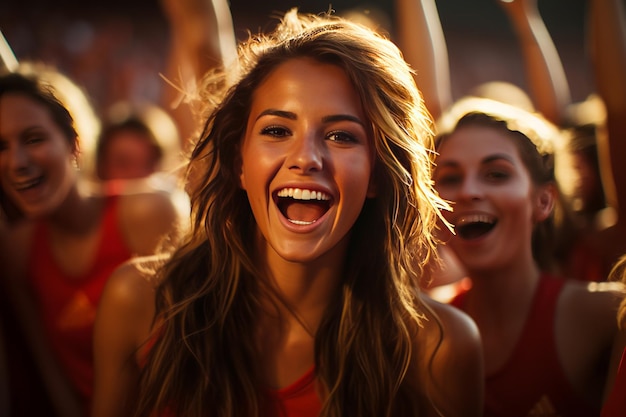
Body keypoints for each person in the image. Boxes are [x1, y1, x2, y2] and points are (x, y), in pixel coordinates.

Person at [92, 8, 484, 417]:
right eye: (277, 130)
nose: (305, 158)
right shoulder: (140, 303)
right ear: (239, 162)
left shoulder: (440, 348)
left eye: (340, 135)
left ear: (377, 176)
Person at [0, 68, 183, 416]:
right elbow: (51, 370)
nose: (17, 162)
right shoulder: (17, 248)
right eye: (1, 147)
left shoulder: (150, 211)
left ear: (73, 142)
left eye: (34, 139)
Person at [432, 96, 624, 417]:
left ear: (543, 201)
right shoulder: (420, 326)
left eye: (496, 174)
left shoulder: (606, 315)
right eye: (450, 178)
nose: (468, 192)